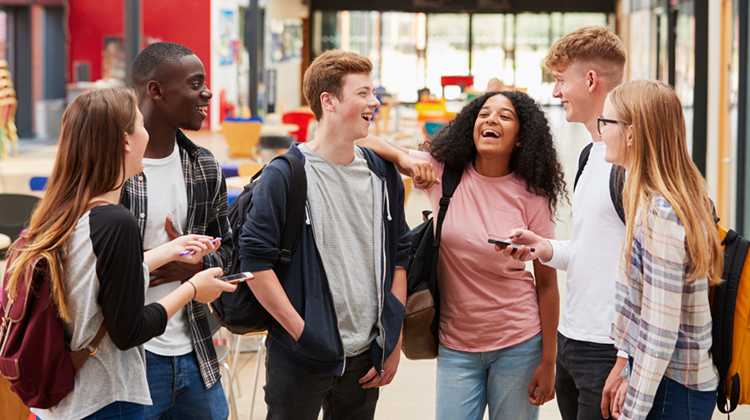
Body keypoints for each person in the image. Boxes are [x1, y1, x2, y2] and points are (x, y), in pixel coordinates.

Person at [3, 87, 236, 420]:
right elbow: (130, 331)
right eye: (140, 125)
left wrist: (168, 251)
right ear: (126, 141)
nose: (147, 133)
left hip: (59, 405)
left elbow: (93, 280)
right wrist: (194, 289)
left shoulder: (64, 212)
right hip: (105, 402)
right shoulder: (116, 222)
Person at [358, 89, 566, 420]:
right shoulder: (444, 174)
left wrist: (549, 360)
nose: (491, 120)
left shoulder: (532, 197)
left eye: (504, 116)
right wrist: (407, 160)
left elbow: (547, 286)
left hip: (519, 342)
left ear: (520, 139)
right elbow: (361, 141)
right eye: (483, 114)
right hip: (456, 345)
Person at [238, 49, 410, 420]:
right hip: (300, 355)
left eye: (373, 92)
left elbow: (400, 256)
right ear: (328, 101)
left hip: (366, 356)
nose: (374, 102)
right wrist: (304, 334)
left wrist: (390, 340)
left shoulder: (383, 173)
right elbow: (254, 261)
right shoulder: (285, 175)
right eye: (362, 93)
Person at [496, 26, 629, 420]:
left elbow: (652, 265)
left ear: (590, 80)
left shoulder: (628, 163)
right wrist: (545, 247)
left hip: (609, 347)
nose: (555, 93)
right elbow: (595, 250)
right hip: (573, 339)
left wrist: (628, 358)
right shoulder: (590, 155)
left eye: (559, 80)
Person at [121, 42, 234, 420]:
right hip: (130, 359)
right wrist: (154, 260)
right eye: (195, 83)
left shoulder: (203, 166)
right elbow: (83, 262)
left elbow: (230, 250)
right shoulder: (112, 168)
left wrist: (198, 267)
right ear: (156, 90)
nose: (207, 92)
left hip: (195, 351)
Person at [602, 80, 722, 420]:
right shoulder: (653, 200)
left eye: (605, 123)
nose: (600, 133)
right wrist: (629, 371)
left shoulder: (661, 214)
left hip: (674, 392)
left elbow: (659, 330)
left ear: (631, 134)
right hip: (668, 384)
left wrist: (633, 413)